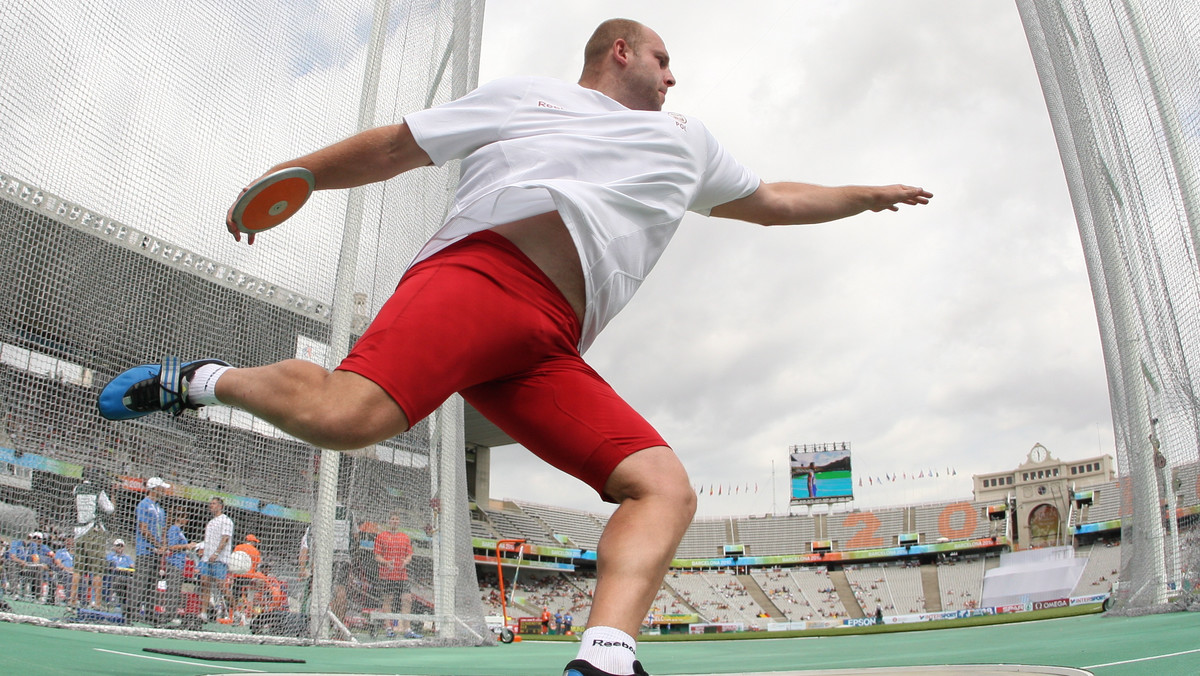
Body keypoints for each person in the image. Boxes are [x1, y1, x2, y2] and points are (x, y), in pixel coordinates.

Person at [97, 18, 930, 676]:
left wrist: (865, 195)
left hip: (548, 346)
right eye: (664, 59)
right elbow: (396, 145)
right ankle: (201, 379)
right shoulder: (530, 98)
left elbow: (775, 199)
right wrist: (302, 173)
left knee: (664, 489)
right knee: (348, 417)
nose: (675, 77)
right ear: (621, 51)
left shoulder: (692, 141)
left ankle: (606, 659)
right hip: (480, 278)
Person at [373, 512, 417, 638]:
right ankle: (388, 627)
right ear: (389, 521)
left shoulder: (405, 537)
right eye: (393, 519)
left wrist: (406, 561)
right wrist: (386, 563)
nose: (395, 521)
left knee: (407, 599)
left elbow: (409, 554)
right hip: (387, 575)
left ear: (399, 522)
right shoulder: (381, 536)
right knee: (388, 599)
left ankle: (407, 628)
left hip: (402, 575)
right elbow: (377, 555)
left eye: (397, 519)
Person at [72, 477, 114, 607]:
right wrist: (113, 495)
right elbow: (110, 509)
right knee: (97, 570)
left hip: (79, 531)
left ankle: (72, 601)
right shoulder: (98, 490)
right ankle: (97, 603)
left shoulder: (76, 489)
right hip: (93, 531)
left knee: (77, 570)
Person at [133, 477, 170, 616]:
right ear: (155, 489)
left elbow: (163, 529)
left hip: (157, 551)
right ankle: (133, 612)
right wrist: (158, 544)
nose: (164, 491)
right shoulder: (144, 505)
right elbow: (143, 529)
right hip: (145, 550)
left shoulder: (160, 509)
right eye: (162, 488)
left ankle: (149, 613)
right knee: (140, 582)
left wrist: (164, 546)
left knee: (152, 584)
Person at [199, 497, 234, 621]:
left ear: (220, 506)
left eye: (213, 504)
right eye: (210, 504)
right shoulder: (211, 522)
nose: (211, 506)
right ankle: (203, 613)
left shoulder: (226, 521)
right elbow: (208, 540)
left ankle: (236, 611)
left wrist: (217, 553)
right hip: (207, 558)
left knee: (221, 586)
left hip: (220, 559)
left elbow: (225, 538)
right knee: (204, 583)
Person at [230, 533, 262, 612]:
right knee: (249, 593)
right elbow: (257, 565)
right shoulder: (256, 551)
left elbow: (233, 559)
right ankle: (248, 609)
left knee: (235, 594)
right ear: (252, 542)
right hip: (249, 577)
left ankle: (233, 611)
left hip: (237, 575)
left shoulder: (238, 547)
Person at [105, 538, 134, 610]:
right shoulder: (110, 555)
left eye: (121, 546)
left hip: (125, 576)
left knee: (130, 583)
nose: (120, 547)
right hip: (114, 576)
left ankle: (126, 604)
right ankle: (112, 601)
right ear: (114, 547)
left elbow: (132, 566)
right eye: (118, 545)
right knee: (117, 581)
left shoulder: (127, 557)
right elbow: (109, 565)